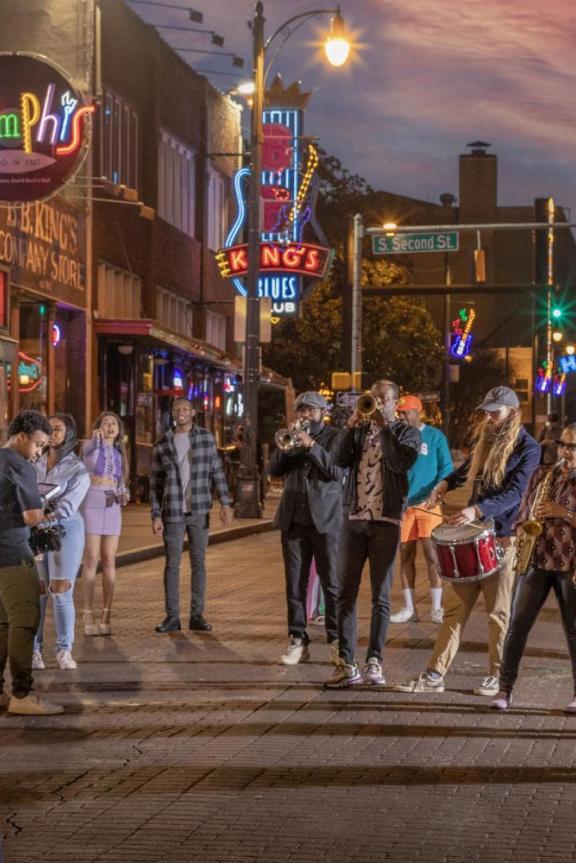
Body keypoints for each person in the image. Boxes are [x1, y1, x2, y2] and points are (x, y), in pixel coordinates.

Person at [392, 385, 541, 698]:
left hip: (502, 536)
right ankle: (434, 674)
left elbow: (515, 492)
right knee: (454, 611)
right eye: (487, 411)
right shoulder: (487, 437)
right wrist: (444, 485)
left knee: (498, 614)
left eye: (495, 412)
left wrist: (477, 508)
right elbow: (464, 471)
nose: (489, 417)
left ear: (513, 413)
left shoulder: (528, 448)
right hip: (475, 533)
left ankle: (498, 676)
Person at [326, 380, 421, 688]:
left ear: (395, 403)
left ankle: (374, 662)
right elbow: (337, 460)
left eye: (384, 399)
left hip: (386, 521)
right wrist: (352, 424)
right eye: (374, 398)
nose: (377, 403)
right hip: (353, 519)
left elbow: (399, 462)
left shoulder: (407, 432)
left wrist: (384, 427)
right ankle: (346, 663)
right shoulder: (360, 431)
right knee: (345, 594)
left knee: (380, 596)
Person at [492, 424, 576, 711]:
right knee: (517, 625)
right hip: (537, 560)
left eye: (573, 447)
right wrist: (522, 529)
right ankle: (504, 689)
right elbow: (522, 513)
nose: (567, 451)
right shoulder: (544, 474)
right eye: (564, 445)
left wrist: (563, 512)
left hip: (571, 565)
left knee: (573, 631)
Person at [269, 391, 345, 665]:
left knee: (332, 584)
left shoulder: (336, 437)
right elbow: (274, 469)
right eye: (301, 410)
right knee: (294, 584)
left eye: (311, 411)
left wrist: (311, 445)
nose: (305, 415)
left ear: (322, 413)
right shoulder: (292, 438)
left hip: (325, 521)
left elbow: (336, 472)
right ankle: (297, 638)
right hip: (293, 519)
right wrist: (286, 447)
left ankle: (337, 641)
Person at [151, 397, 233, 633]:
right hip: (173, 512)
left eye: (185, 408)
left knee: (199, 563)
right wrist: (155, 515)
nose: (181, 412)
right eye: (177, 409)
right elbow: (155, 484)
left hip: (199, 509)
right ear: (172, 413)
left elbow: (217, 472)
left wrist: (225, 504)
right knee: (172, 565)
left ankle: (197, 615)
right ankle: (172, 617)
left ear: (193, 412)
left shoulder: (206, 438)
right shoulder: (163, 443)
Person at [0, 410, 63, 715]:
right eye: (38, 444)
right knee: (25, 620)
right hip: (14, 552)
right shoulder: (20, 467)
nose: (39, 452)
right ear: (22, 436)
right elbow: (32, 516)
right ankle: (22, 694)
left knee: (2, 623)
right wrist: (45, 510)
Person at [32, 414, 90, 670]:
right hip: (34, 530)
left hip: (65, 530)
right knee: (38, 591)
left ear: (69, 434)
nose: (52, 433)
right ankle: (34, 650)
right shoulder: (34, 462)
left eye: (57, 429)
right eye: (48, 429)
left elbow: (67, 506)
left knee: (60, 589)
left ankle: (64, 649)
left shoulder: (78, 469)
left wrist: (41, 514)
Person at [390, 394, 453, 624]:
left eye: (406, 412)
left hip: (428, 504)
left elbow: (446, 468)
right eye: (400, 413)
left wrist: (437, 491)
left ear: (419, 412)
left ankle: (437, 607)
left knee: (431, 555)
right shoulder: (396, 437)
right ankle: (409, 608)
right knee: (405, 554)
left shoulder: (435, 436)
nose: (403, 417)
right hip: (404, 506)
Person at [80, 411, 129, 637]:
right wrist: (96, 440)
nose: (110, 426)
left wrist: (123, 493)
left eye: (114, 424)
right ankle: (87, 612)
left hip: (112, 506)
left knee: (109, 559)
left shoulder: (120, 453)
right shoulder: (92, 446)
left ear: (119, 430)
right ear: (99, 427)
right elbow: (87, 458)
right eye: (105, 423)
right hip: (92, 502)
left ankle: (106, 613)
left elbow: (120, 481)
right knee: (91, 559)